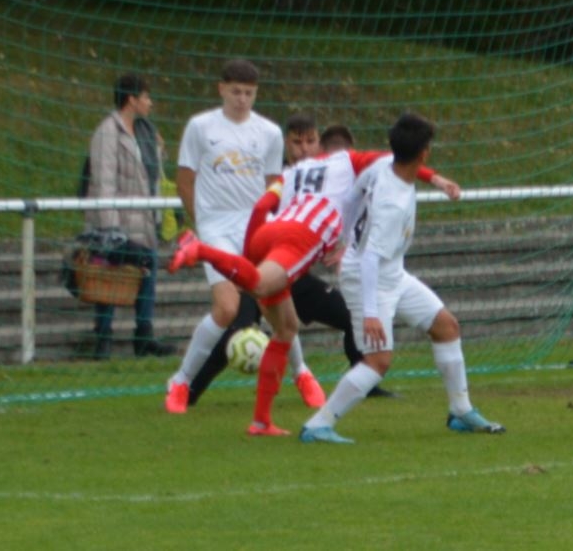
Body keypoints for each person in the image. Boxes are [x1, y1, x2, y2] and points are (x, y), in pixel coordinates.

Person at [169, 117, 462, 435]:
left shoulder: (293, 171)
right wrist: (436, 178)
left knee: (285, 328)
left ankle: (261, 421)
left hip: (268, 230)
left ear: (319, 146)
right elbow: (396, 162)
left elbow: (261, 207)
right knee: (261, 284)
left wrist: (252, 255)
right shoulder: (349, 161)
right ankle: (199, 249)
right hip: (303, 235)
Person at [300, 112, 504, 444]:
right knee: (378, 361)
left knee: (446, 326)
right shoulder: (391, 205)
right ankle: (318, 425)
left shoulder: (383, 165)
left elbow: (350, 198)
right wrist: (370, 312)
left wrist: (344, 239)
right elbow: (370, 259)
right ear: (424, 152)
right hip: (368, 278)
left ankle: (461, 411)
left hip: (391, 272)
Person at [185, 121, 397, 406]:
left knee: (349, 318)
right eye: (297, 143)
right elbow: (261, 212)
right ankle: (188, 393)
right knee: (239, 332)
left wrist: (343, 245)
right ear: (286, 145)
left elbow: (352, 215)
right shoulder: (281, 178)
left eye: (310, 142)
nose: (304, 149)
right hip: (264, 268)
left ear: (319, 146)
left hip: (296, 276)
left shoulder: (331, 178)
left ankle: (364, 384)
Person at [164, 59, 326, 415]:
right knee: (227, 308)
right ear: (221, 89)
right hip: (216, 228)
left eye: (249, 93)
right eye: (236, 91)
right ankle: (181, 381)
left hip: (256, 228)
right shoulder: (201, 127)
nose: (242, 99)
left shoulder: (268, 132)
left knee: (279, 310)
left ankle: (301, 372)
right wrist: (202, 226)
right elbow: (185, 180)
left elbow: (274, 186)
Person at [84, 73, 175, 359]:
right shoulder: (107, 132)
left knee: (148, 270)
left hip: (143, 221)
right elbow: (103, 182)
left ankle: (143, 336)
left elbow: (151, 175)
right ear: (131, 100)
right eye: (146, 97)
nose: (150, 102)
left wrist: (159, 149)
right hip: (117, 223)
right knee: (108, 275)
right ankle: (103, 338)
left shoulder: (145, 131)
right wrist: (110, 228)